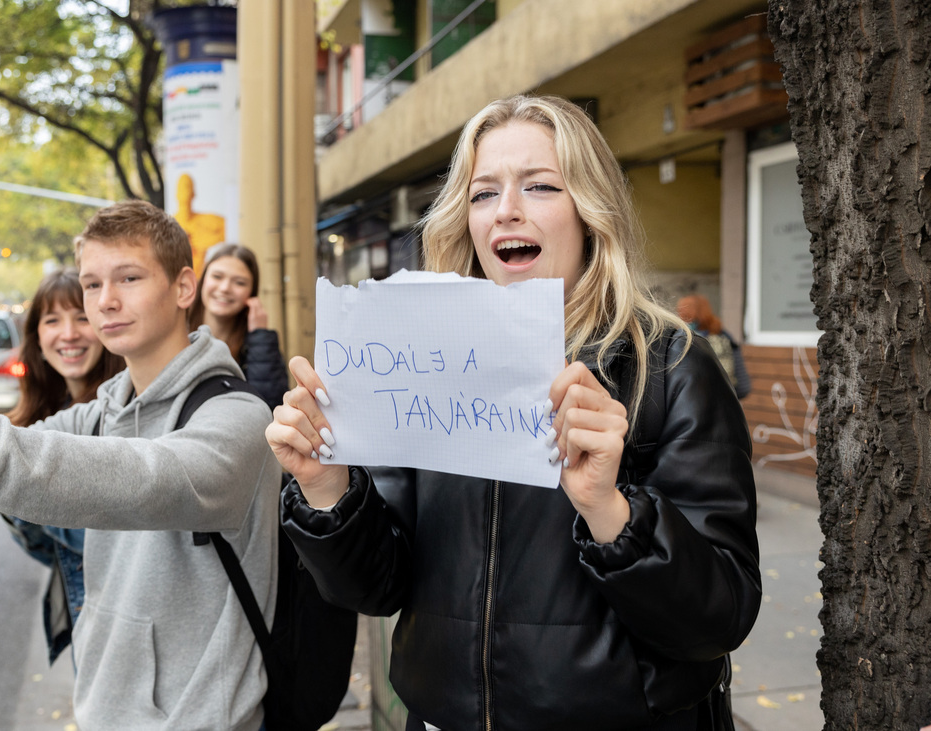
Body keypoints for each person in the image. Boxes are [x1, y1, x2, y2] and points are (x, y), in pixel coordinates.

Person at [266, 95, 761, 730]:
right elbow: (375, 588)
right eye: (482, 193)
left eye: (540, 186)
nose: (506, 211)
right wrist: (326, 489)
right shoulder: (423, 357)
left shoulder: (668, 366)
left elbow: (719, 618)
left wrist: (611, 512)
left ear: (590, 208)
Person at [0, 200, 281, 731]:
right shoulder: (97, 415)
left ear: (184, 288)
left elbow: (151, 480)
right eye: (92, 284)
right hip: (102, 711)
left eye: (129, 278)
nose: (106, 301)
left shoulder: (239, 415)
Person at [3, 267, 125, 665]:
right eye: (52, 320)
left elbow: (112, 545)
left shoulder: (121, 420)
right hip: (86, 632)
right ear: (36, 338)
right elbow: (46, 549)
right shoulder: (36, 420)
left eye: (82, 318)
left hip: (126, 642)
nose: (69, 334)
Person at [190, 243, 287, 410]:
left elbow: (269, 407)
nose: (225, 288)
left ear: (251, 293)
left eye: (239, 283)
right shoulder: (176, 328)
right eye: (217, 276)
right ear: (202, 279)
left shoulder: (258, 345)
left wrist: (260, 338)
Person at [676, 294, 753, 400]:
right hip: (726, 405)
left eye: (683, 314)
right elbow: (743, 387)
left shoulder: (684, 341)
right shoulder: (725, 337)